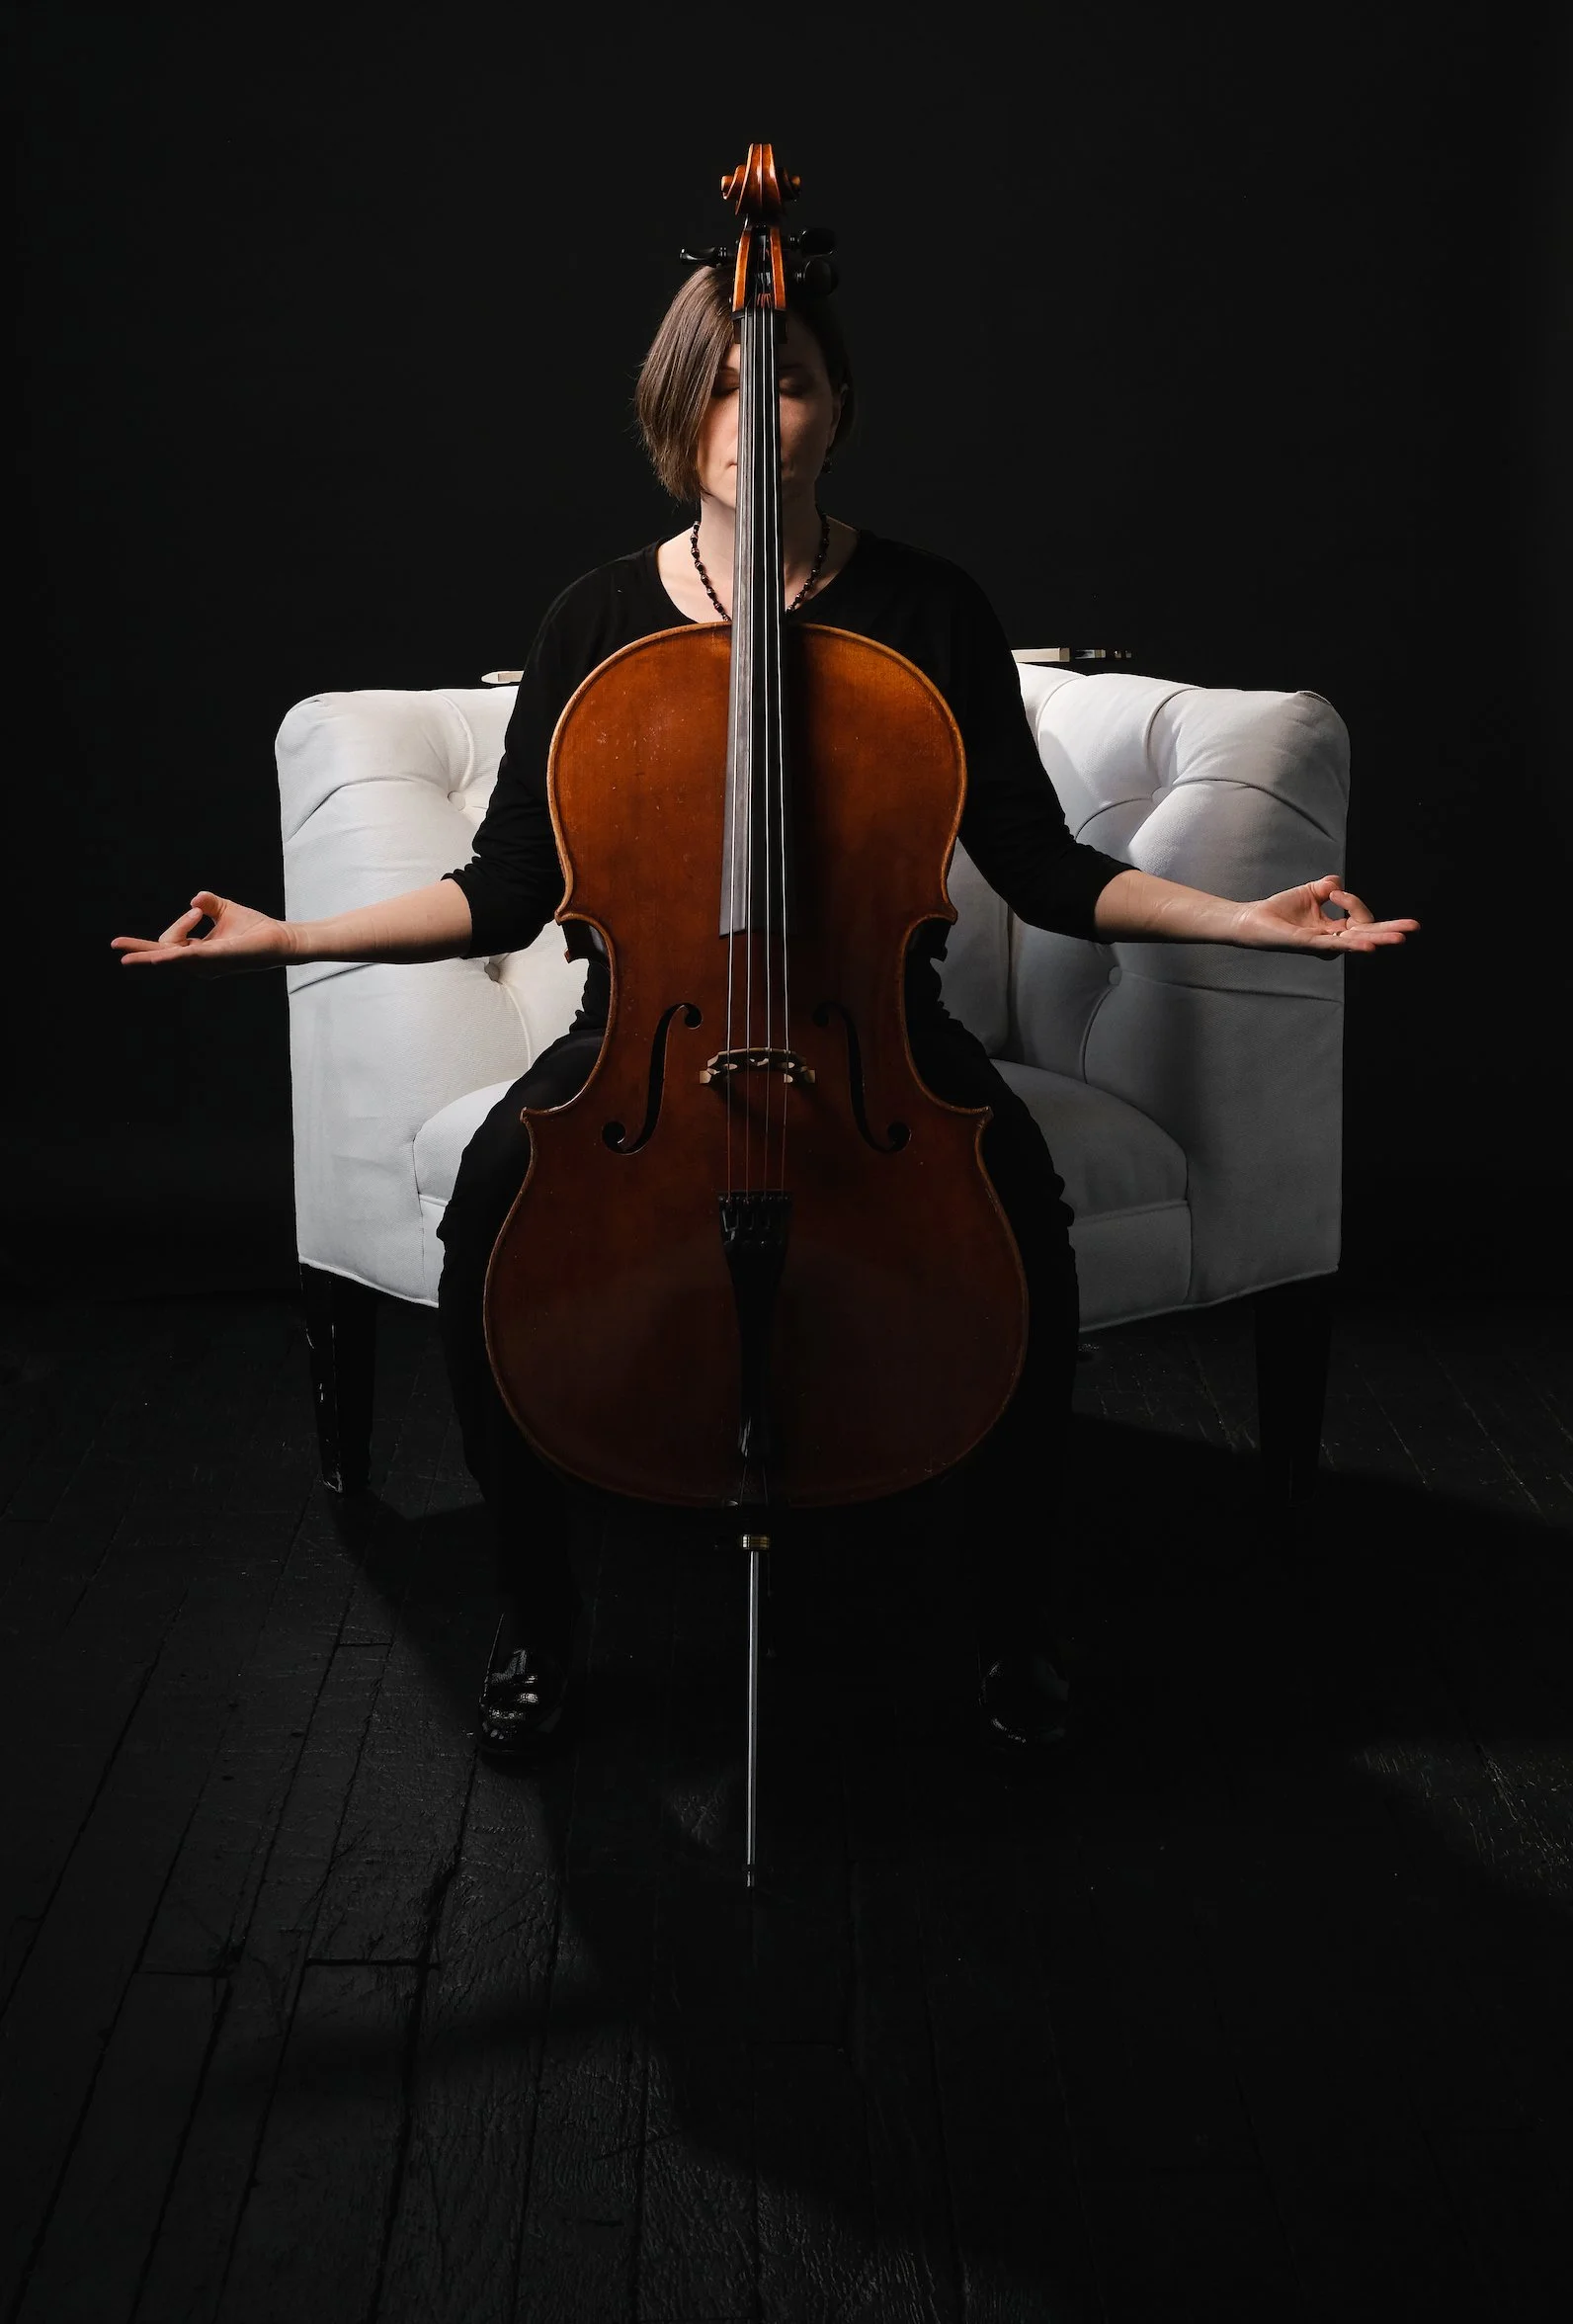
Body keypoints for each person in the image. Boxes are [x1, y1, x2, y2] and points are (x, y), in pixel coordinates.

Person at [114, 268, 1418, 1766]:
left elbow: (1044, 867)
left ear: (838, 410)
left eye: (786, 379)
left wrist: (1243, 918)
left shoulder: (929, 603)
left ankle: (1008, 1624)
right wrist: (291, 938)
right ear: (677, 417)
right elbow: (505, 886)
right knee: (492, 1224)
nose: (755, 414)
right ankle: (536, 1622)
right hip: (640, 1039)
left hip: (877, 1030)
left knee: (1021, 1230)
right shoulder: (595, 613)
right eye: (722, 385)